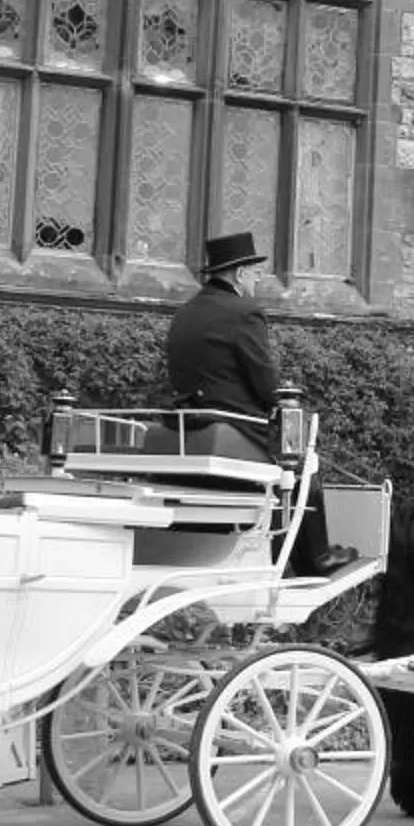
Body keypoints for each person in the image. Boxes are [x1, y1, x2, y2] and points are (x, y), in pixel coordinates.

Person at [163, 231, 354, 575]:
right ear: (238, 274)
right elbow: (266, 383)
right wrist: (285, 407)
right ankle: (315, 560)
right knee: (303, 463)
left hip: (187, 419)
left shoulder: (186, 312)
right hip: (232, 420)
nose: (258, 279)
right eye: (254, 272)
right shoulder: (245, 312)